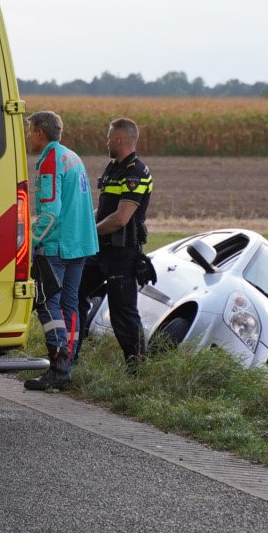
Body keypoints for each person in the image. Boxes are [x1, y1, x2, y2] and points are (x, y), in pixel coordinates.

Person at [22, 110, 98, 391]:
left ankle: (58, 361)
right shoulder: (72, 156)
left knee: (47, 303)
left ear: (41, 133)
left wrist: (29, 241)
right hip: (80, 244)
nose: (28, 136)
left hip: (57, 245)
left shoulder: (51, 160)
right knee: (70, 304)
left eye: (30, 131)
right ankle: (67, 365)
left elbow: (50, 212)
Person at [92, 116, 153, 370]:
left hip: (122, 253)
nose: (106, 141)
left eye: (108, 137)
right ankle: (67, 355)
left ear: (118, 139)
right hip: (99, 250)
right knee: (74, 294)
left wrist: (89, 233)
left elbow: (120, 218)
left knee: (123, 313)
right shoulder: (113, 168)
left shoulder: (135, 173)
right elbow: (103, 209)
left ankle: (138, 367)